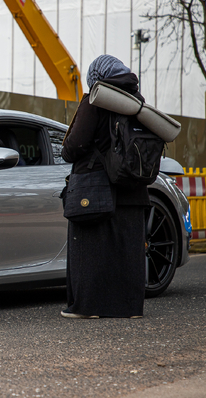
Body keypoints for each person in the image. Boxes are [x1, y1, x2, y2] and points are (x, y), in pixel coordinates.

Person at [61, 54, 149, 319]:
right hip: (134, 191)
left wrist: (67, 151)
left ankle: (87, 308)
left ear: (95, 77)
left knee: (89, 251)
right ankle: (130, 308)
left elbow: (75, 145)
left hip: (97, 188)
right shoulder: (138, 103)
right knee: (129, 252)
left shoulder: (95, 100)